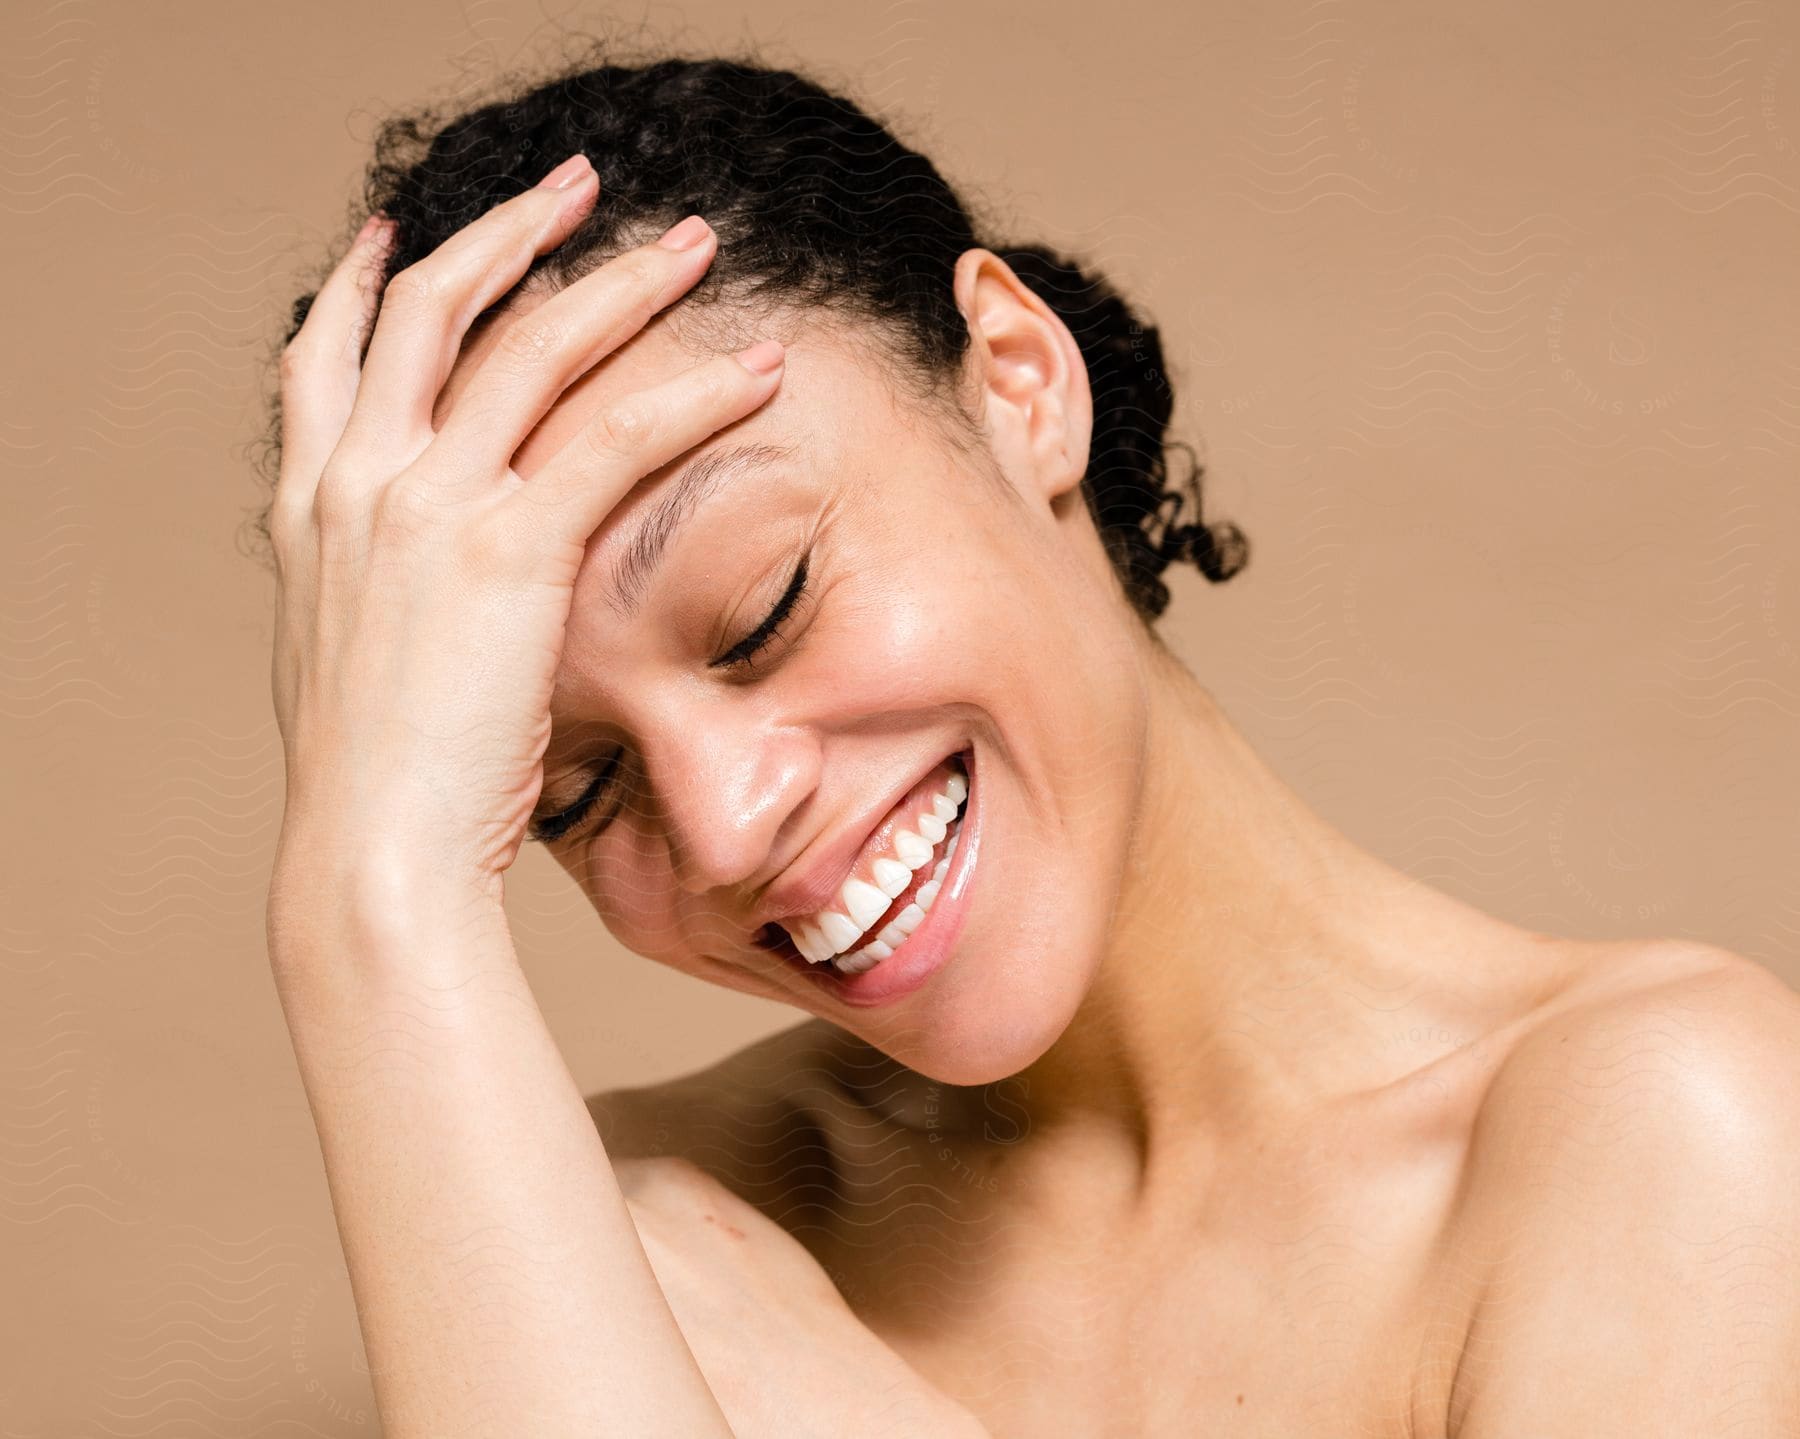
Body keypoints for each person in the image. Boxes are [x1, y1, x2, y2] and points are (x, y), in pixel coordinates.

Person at [255, 44, 1800, 1438]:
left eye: (762, 609)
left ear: (1016, 382)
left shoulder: (1666, 1135)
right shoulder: (620, 1239)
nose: (725, 831)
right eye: (582, 795)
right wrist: (373, 895)